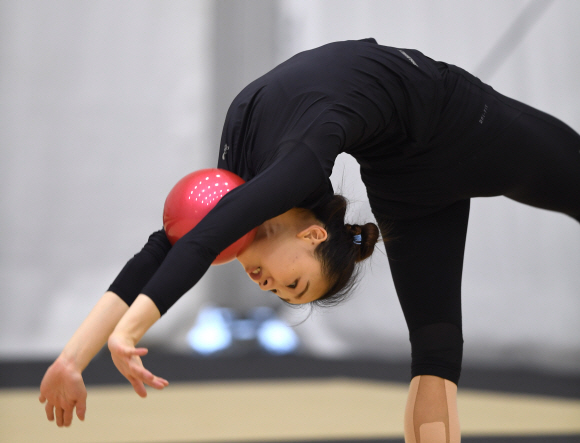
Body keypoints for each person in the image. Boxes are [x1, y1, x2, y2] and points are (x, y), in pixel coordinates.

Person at [39, 38, 579, 442]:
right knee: (435, 356)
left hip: (462, 128)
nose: (268, 285)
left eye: (285, 289)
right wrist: (71, 361)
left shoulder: (272, 177)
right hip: (413, 182)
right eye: (290, 285)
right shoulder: (274, 179)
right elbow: (181, 245)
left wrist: (118, 335)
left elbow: (188, 244)